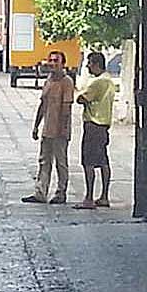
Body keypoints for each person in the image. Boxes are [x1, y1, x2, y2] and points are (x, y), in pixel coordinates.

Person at [21, 51, 75, 204]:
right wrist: (36, 125)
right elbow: (43, 104)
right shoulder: (49, 80)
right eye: (50, 60)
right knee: (44, 161)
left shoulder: (66, 82)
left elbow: (66, 107)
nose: (52, 63)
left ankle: (61, 192)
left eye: (56, 60)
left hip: (60, 130)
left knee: (60, 162)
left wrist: (63, 128)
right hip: (47, 129)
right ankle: (40, 192)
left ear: (63, 63)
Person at [74, 52, 115, 209]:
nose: (88, 66)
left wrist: (81, 96)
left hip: (93, 123)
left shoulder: (97, 82)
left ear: (97, 64)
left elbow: (81, 98)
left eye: (90, 63)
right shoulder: (109, 80)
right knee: (103, 160)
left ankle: (89, 198)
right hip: (104, 125)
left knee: (89, 162)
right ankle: (104, 196)